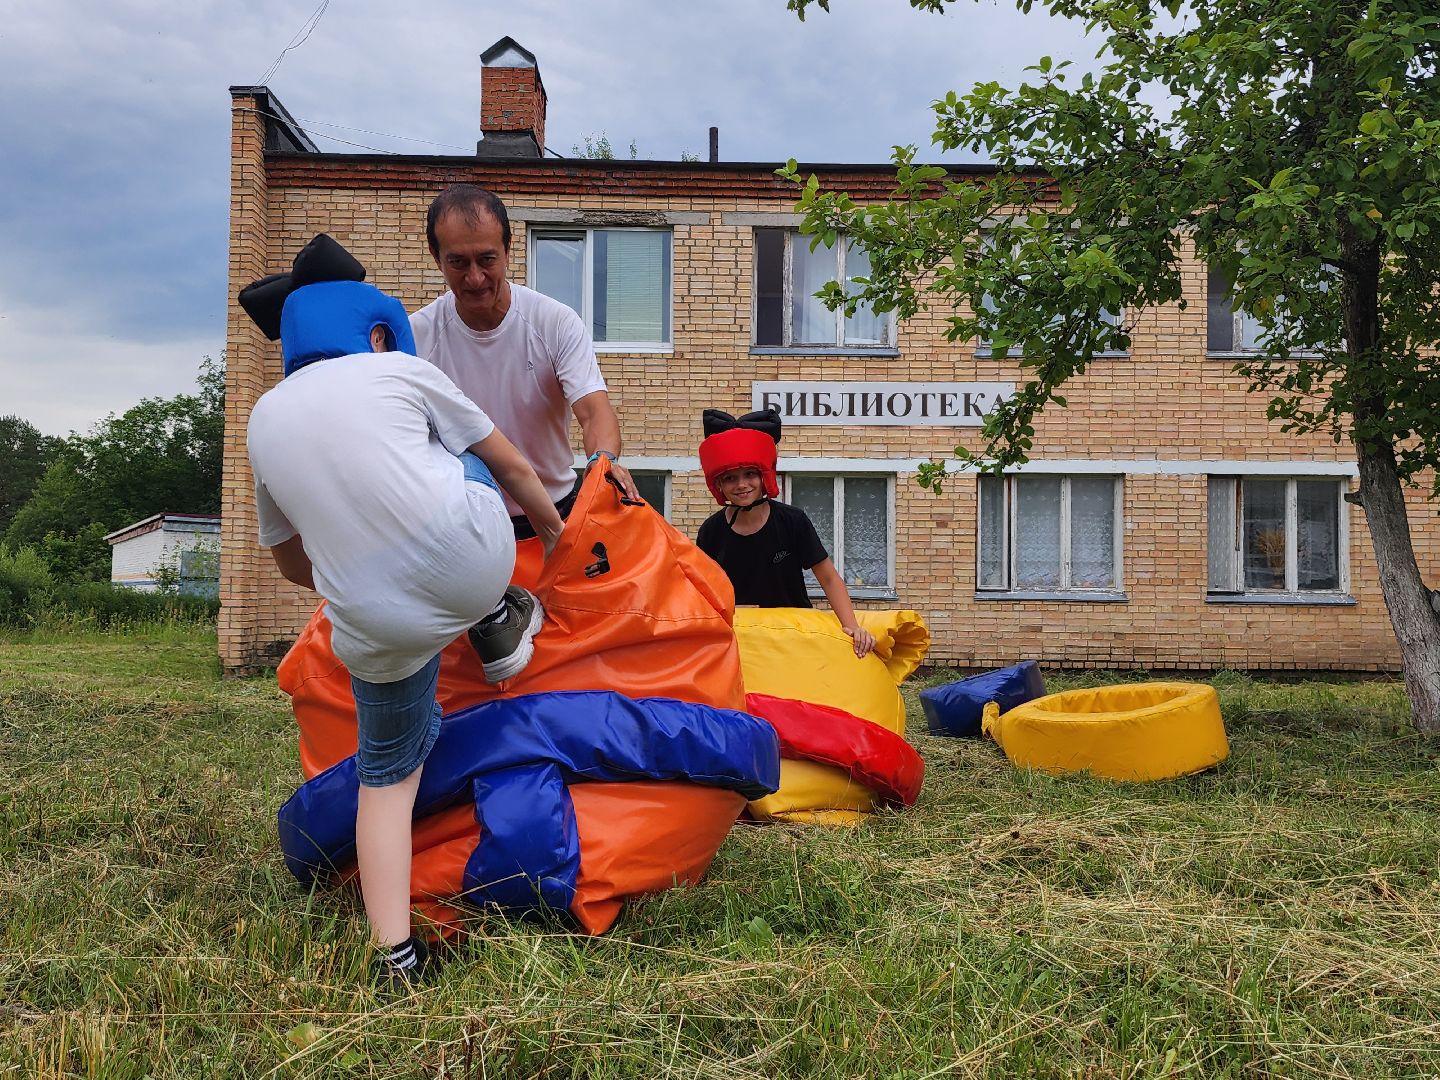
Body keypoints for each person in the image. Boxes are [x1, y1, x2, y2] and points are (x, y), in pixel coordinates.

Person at [239, 234, 565, 989]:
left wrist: (363, 572)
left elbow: (290, 564)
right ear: (379, 332)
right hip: (473, 564)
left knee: (385, 778)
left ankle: (395, 956)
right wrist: (558, 541)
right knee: (463, 444)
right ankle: (494, 617)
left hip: (371, 619)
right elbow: (512, 465)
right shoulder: (404, 371)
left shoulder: (263, 419)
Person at [411, 184, 641, 540]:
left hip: (556, 512)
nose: (475, 277)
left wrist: (603, 462)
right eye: (458, 262)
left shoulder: (555, 322)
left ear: (508, 248)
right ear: (435, 256)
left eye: (487, 259)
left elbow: (594, 412)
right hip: (462, 526)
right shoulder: (416, 337)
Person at [695, 408, 877, 659]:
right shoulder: (711, 531)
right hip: (743, 641)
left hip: (794, 636)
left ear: (764, 476)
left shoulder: (792, 521)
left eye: (750, 474)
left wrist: (852, 627)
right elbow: (703, 592)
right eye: (730, 478)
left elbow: (828, 578)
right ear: (718, 484)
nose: (741, 484)